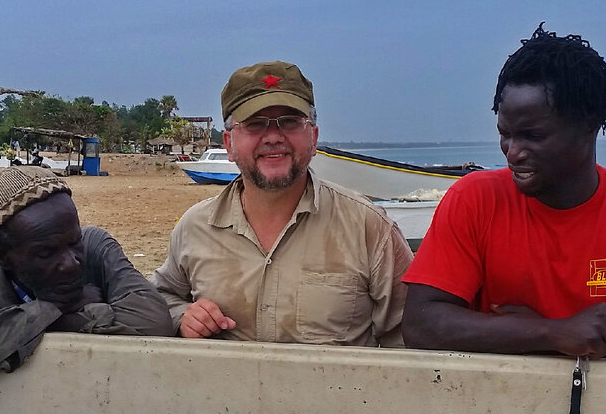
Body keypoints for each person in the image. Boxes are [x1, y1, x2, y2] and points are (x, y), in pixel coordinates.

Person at [402, 24, 606, 362]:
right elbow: (421, 325)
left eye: (533, 136)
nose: (513, 152)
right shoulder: (474, 199)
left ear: (589, 123)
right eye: (506, 134)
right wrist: (554, 332)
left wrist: (557, 336)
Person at [151, 60, 412, 347]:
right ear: (229, 144)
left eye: (289, 122)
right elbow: (158, 298)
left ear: (313, 137)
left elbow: (409, 334)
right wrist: (182, 316)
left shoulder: (369, 227)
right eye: (255, 124)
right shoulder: (194, 227)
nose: (273, 137)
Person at [0, 166, 173, 393]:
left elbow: (153, 322)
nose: (71, 262)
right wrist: (52, 310)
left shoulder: (95, 244)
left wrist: (11, 337)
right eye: (46, 253)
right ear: (2, 257)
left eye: (74, 242)